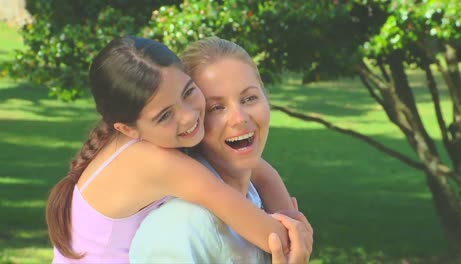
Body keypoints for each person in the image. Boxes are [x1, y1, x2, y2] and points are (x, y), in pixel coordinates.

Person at [46, 36, 295, 263]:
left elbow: (264, 173)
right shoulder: (156, 161)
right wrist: (295, 232)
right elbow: (269, 235)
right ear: (128, 129)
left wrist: (288, 215)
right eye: (165, 115)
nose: (188, 117)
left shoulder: (147, 138)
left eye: (188, 92)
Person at [130, 37, 313, 263]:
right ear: (192, 119)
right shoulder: (181, 228)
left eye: (249, 98)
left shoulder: (259, 203)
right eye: (216, 107)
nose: (239, 119)